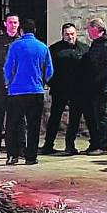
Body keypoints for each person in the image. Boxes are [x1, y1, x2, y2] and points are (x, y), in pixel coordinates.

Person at [3, 19, 54, 165]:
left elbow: (8, 68)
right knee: (34, 125)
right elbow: (49, 70)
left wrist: (8, 83)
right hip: (36, 91)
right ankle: (31, 157)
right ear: (35, 30)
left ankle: (13, 155)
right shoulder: (43, 47)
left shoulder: (15, 46)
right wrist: (42, 82)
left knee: (12, 125)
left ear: (21, 31)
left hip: (17, 92)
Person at [41, 23, 90, 156]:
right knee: (55, 117)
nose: (70, 37)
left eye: (72, 34)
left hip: (77, 90)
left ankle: (70, 145)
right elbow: (47, 68)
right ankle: (48, 144)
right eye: (67, 34)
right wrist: (51, 83)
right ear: (62, 35)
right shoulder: (54, 49)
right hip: (59, 89)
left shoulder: (84, 49)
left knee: (75, 119)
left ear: (76, 34)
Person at [0, 13, 24, 160]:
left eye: (15, 22)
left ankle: (20, 149)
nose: (13, 25)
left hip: (17, 88)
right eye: (10, 22)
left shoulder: (21, 42)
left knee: (19, 119)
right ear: (5, 24)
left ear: (18, 25)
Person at [82, 18, 107, 156]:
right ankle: (94, 143)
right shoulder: (97, 43)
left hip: (101, 87)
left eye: (90, 30)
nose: (88, 33)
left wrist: (96, 81)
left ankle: (102, 146)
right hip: (93, 86)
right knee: (91, 115)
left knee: (100, 115)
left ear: (97, 29)